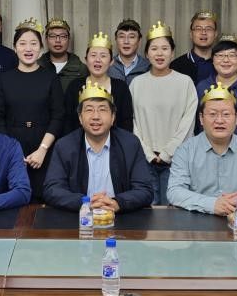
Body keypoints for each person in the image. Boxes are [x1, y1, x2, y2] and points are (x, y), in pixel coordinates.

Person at [167, 83, 237, 214]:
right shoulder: (185, 151)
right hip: (197, 222)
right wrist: (212, 204)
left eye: (226, 114)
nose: (219, 120)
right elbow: (175, 191)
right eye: (212, 114)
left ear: (236, 118)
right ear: (201, 119)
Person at [44, 82, 154, 212]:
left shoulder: (130, 144)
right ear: (80, 118)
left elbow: (145, 190)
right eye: (89, 110)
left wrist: (117, 203)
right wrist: (85, 203)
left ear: (113, 117)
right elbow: (52, 189)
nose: (95, 116)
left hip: (120, 217)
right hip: (79, 218)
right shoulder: (65, 146)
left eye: (102, 110)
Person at [0, 18, 65, 201]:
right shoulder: (4, 79)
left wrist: (42, 150)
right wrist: (12, 153)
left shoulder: (51, 78)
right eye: (22, 43)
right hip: (11, 148)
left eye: (33, 43)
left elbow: (58, 116)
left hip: (45, 148)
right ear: (15, 47)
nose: (28, 48)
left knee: (44, 201)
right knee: (14, 199)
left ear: (40, 48)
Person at [129, 21, 198, 204]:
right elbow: (132, 122)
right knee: (146, 212)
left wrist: (168, 153)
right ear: (146, 53)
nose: (159, 54)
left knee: (173, 211)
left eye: (165, 48)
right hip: (144, 160)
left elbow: (188, 124)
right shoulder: (137, 83)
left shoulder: (185, 83)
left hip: (177, 161)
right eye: (154, 49)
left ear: (172, 52)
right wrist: (148, 154)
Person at [63, 32, 134, 133]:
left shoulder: (121, 88)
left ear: (111, 62)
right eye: (93, 55)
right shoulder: (74, 86)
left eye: (103, 56)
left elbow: (126, 123)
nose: (98, 60)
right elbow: (68, 123)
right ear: (86, 60)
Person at [38, 18, 89, 94]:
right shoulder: (37, 66)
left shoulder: (82, 69)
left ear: (69, 39)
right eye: (52, 36)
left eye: (63, 36)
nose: (58, 40)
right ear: (46, 39)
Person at [171, 10, 218, 84]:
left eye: (208, 29)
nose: (203, 32)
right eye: (198, 29)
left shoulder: (224, 64)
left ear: (215, 34)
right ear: (191, 34)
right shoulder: (176, 66)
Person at [108, 18, 150, 84]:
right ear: (116, 39)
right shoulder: (108, 66)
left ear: (139, 41)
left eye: (131, 37)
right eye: (121, 36)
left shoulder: (148, 67)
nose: (126, 41)